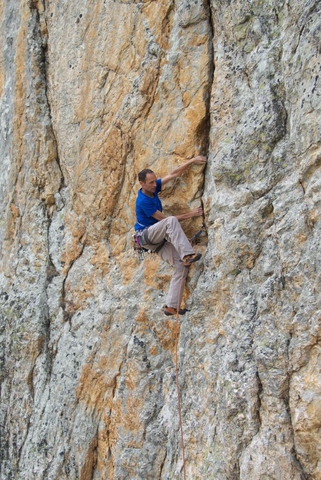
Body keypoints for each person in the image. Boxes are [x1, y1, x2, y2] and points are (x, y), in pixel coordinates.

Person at [134, 155, 207, 316]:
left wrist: (192, 161)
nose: (155, 184)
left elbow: (173, 174)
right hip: (145, 236)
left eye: (155, 181)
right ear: (142, 184)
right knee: (171, 221)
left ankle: (171, 306)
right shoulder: (143, 201)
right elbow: (166, 221)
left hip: (156, 241)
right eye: (151, 182)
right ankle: (187, 253)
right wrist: (191, 214)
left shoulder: (153, 190)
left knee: (181, 265)